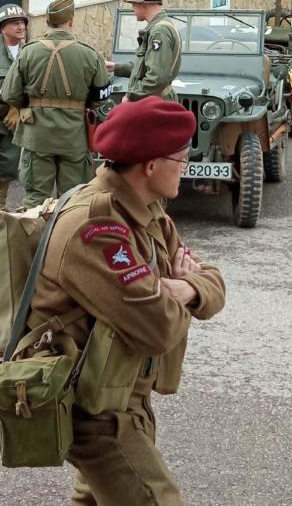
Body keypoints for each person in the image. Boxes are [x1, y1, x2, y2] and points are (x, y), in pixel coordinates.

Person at [26, 96, 225, 505]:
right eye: (182, 159)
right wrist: (181, 295)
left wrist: (187, 288)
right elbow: (158, 329)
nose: (186, 168)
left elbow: (213, 281)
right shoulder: (96, 228)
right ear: (151, 165)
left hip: (123, 394)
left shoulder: (147, 213)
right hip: (95, 412)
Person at [1, 0, 112, 209]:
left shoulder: (28, 52)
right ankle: (65, 241)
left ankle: (34, 241)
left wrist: (28, 105)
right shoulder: (89, 54)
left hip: (37, 135)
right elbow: (101, 97)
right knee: (73, 199)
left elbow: (9, 93)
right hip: (73, 137)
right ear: (71, 21)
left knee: (35, 199)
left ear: (47, 22)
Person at [106, 0, 181, 100]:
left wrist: (132, 96)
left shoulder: (159, 32)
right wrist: (116, 67)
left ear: (143, 3)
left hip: (155, 103)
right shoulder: (161, 25)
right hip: (154, 101)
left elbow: (157, 77)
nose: (133, 9)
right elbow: (146, 67)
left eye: (133, 4)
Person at [0, 4, 28, 208]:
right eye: (14, 23)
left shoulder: (30, 52)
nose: (20, 27)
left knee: (7, 167)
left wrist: (17, 108)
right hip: (2, 114)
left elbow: (35, 85)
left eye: (22, 22)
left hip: (13, 123)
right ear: (3, 29)